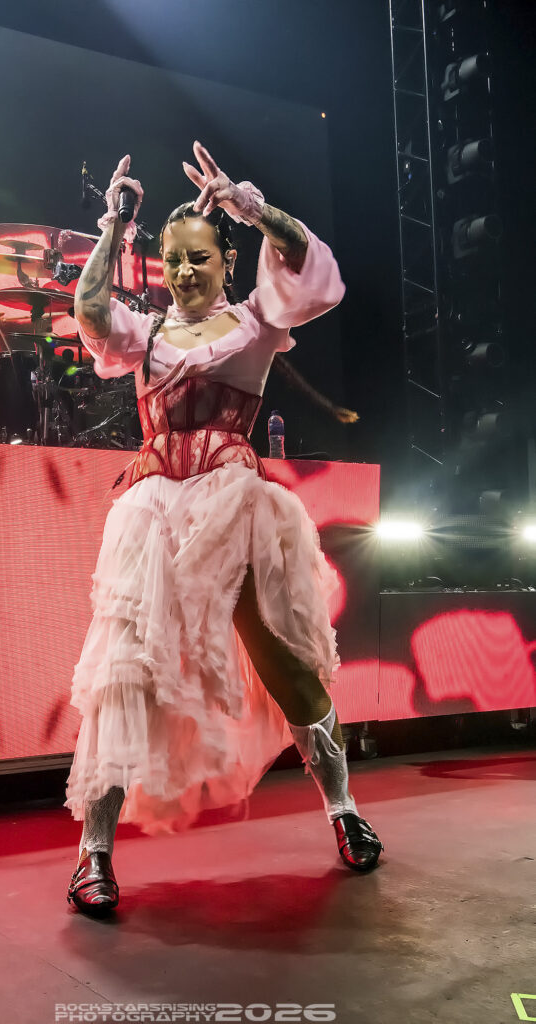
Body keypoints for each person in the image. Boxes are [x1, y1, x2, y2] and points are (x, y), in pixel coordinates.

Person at [65, 142, 383, 916]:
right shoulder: (142, 334)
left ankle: (344, 809)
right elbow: (90, 312)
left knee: (281, 658)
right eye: (174, 259)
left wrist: (251, 206)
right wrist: (116, 224)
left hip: (233, 507)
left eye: (199, 257)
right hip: (151, 512)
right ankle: (94, 854)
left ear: (226, 261)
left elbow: (310, 268)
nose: (184, 271)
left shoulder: (256, 321)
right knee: (124, 668)